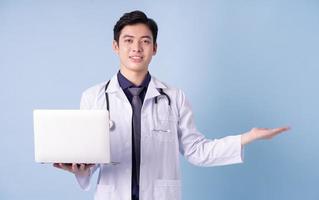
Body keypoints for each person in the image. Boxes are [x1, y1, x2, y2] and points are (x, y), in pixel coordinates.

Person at [53, 10, 289, 200]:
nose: (136, 48)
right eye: (128, 41)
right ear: (116, 46)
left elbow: (197, 151)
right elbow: (89, 160)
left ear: (154, 48)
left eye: (145, 41)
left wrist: (247, 137)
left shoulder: (174, 98)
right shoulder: (93, 97)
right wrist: (77, 167)